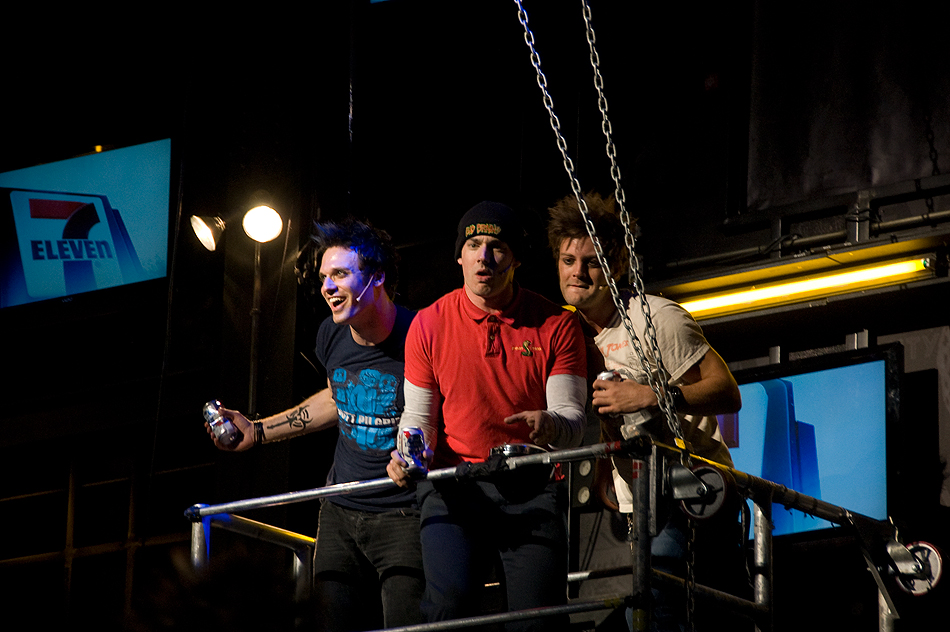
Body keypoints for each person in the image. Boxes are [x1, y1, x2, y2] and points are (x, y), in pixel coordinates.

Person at [205, 219, 424, 632]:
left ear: (377, 276)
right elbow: (337, 398)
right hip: (340, 509)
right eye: (324, 277)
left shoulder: (420, 335)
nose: (327, 287)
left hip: (403, 510)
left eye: (339, 274)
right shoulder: (330, 334)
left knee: (406, 625)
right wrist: (257, 431)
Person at [546, 192, 749, 631]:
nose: (578, 272)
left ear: (616, 265)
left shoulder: (655, 318)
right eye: (568, 260)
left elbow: (727, 392)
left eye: (592, 262)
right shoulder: (565, 335)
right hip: (640, 505)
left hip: (694, 495)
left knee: (661, 608)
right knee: (654, 611)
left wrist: (651, 395)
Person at [386, 201, 588, 631]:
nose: (484, 257)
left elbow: (572, 421)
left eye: (497, 246)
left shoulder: (557, 324)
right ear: (459, 256)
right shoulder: (428, 324)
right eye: (474, 244)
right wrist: (408, 453)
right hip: (453, 486)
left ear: (516, 259)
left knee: (538, 622)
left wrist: (550, 424)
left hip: (531, 485)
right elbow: (419, 419)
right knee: (448, 612)